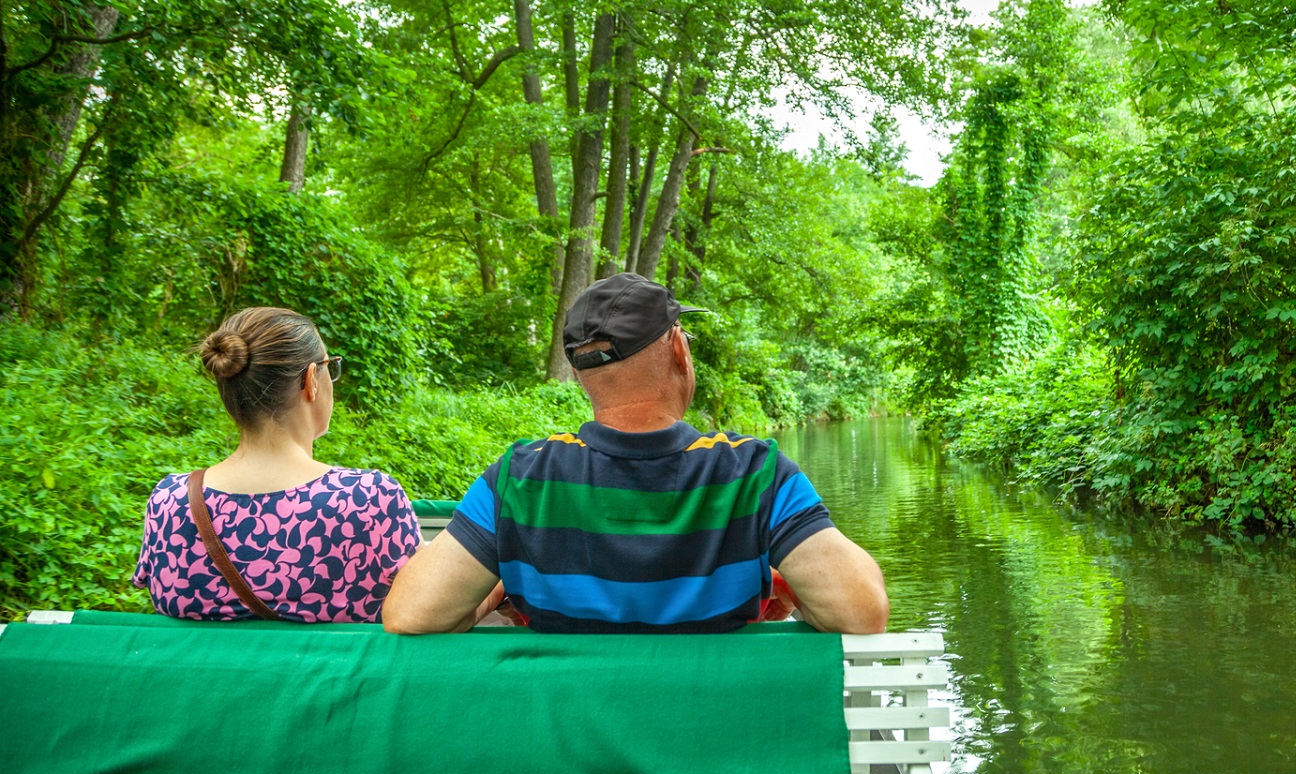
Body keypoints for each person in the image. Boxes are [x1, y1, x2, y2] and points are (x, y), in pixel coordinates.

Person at [383, 273, 889, 635]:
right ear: (677, 350)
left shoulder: (520, 479)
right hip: (719, 763)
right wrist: (784, 585)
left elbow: (410, 614)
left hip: (571, 768)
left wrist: (495, 591)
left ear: (580, 376)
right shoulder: (753, 473)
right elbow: (862, 610)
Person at [133, 307, 421, 622]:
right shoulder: (370, 499)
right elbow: (430, 604)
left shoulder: (169, 502)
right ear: (311, 380)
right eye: (329, 367)